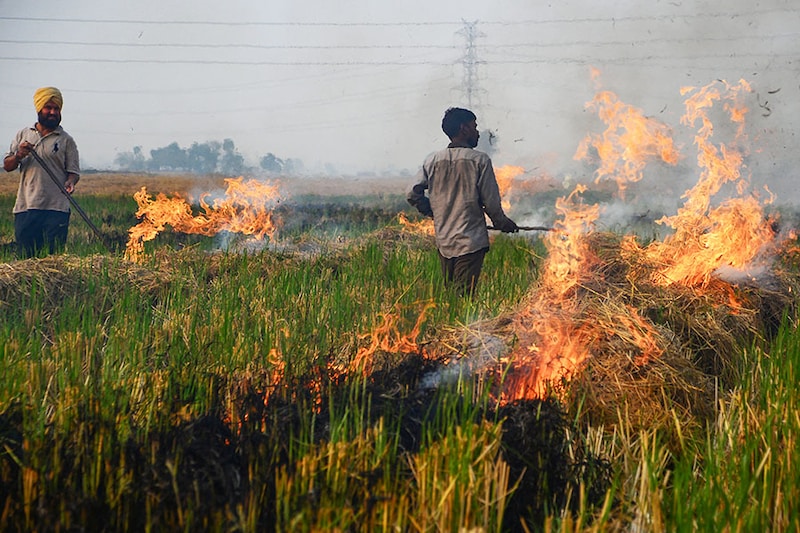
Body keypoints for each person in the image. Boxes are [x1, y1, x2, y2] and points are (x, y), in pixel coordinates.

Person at [407, 107, 518, 296]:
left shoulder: (432, 160)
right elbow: (491, 203)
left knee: (452, 295)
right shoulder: (479, 160)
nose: (477, 132)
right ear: (463, 129)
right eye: (474, 127)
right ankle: (460, 326)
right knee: (464, 298)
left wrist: (432, 211)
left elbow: (412, 194)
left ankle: (451, 324)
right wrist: (503, 223)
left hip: (444, 241)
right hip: (470, 242)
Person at [3, 86, 80, 258]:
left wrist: (71, 182)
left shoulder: (66, 140)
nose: (52, 112)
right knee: (25, 260)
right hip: (27, 206)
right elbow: (7, 166)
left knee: (54, 262)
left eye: (56, 109)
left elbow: (73, 172)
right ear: (39, 109)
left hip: (57, 208)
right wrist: (19, 155)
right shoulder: (23, 135)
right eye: (48, 108)